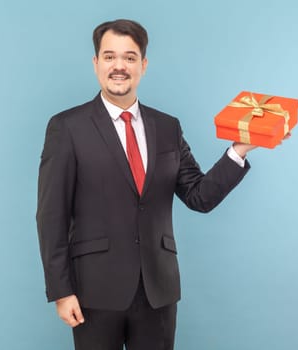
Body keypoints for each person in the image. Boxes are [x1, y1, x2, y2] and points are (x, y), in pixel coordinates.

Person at [36, 19, 258, 350]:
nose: (119, 66)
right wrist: (61, 290)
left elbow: (199, 196)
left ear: (143, 64)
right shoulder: (67, 127)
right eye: (109, 57)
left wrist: (238, 150)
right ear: (96, 63)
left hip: (159, 291)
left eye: (129, 57)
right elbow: (51, 215)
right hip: (94, 290)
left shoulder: (167, 127)